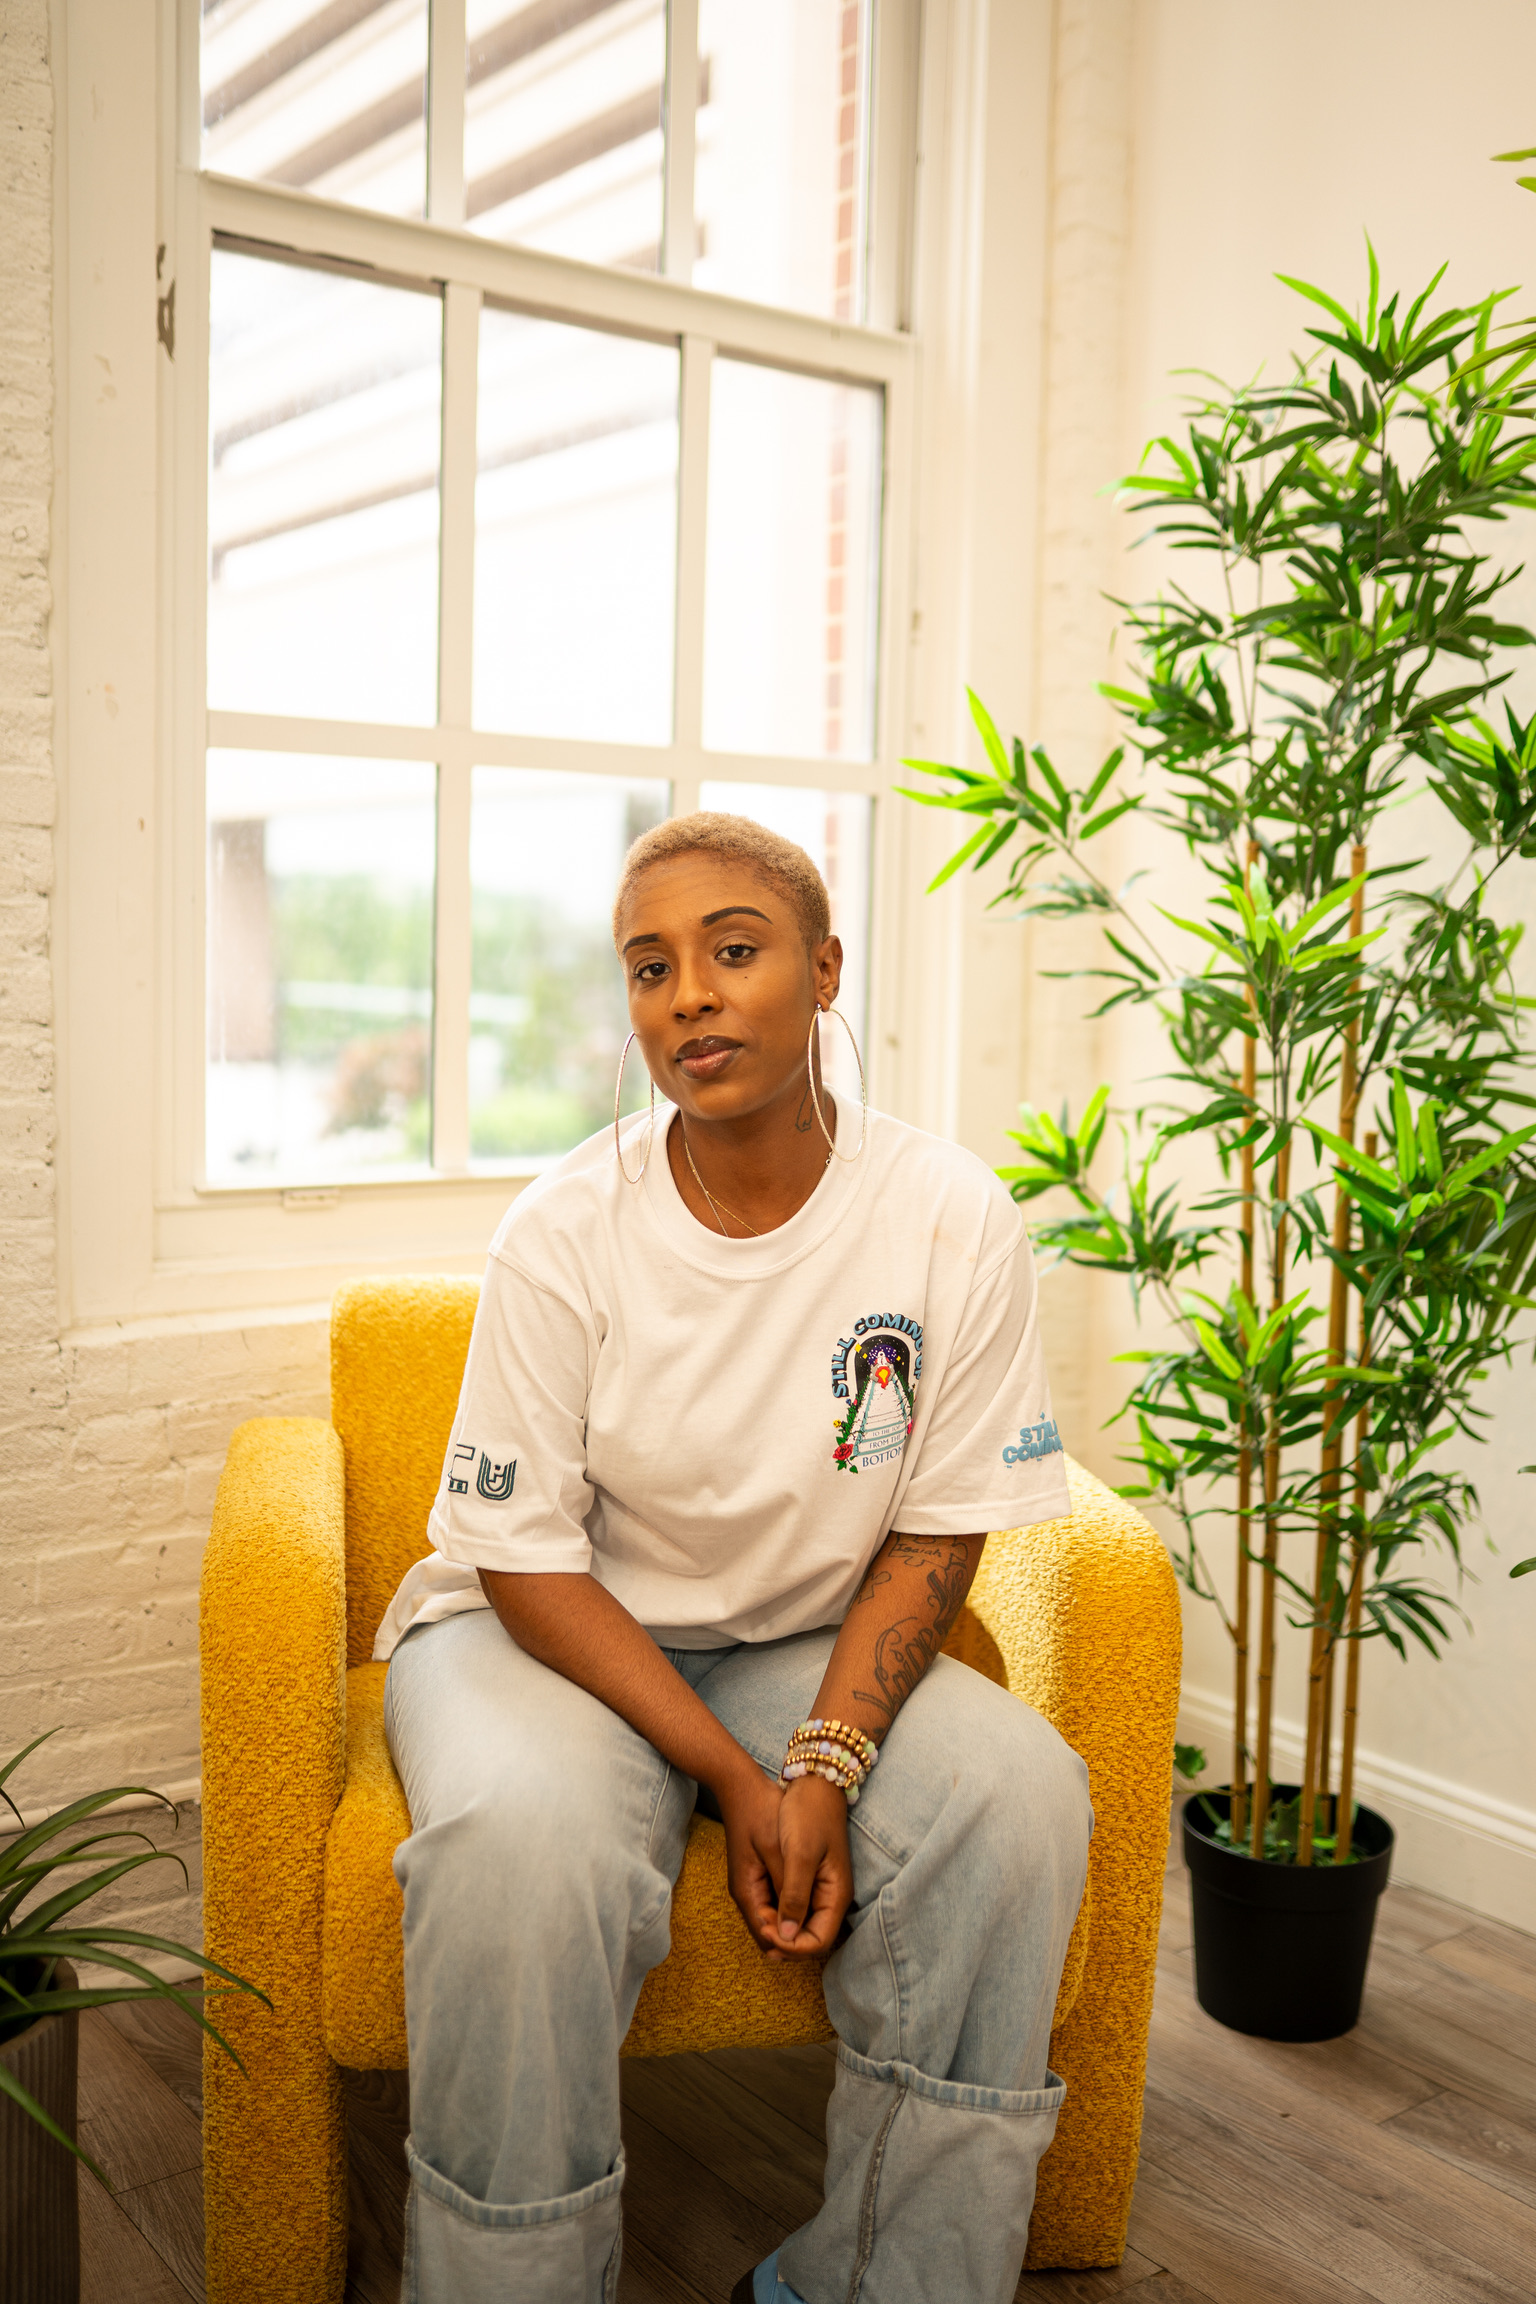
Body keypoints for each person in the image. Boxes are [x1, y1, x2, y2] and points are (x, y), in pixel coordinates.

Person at [376, 814, 1092, 2304]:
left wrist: (825, 1761)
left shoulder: (948, 1214)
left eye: (734, 950)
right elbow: (523, 1565)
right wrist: (739, 1778)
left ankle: (881, 2283)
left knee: (1021, 1797)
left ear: (825, 971)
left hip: (791, 1639)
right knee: (523, 1849)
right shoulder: (563, 1230)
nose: (688, 994)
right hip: (541, 1632)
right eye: (650, 968)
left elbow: (937, 1523)